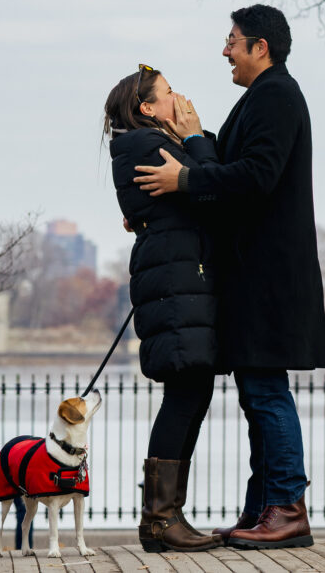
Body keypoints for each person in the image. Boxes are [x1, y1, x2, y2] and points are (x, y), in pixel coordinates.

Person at [133, 4, 325, 550]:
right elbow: (232, 167)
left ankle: (288, 508)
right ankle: (263, 510)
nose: (225, 49)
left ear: (259, 47)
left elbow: (254, 177)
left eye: (233, 40)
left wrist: (186, 177)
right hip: (258, 274)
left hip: (268, 275)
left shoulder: (276, 96)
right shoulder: (262, 98)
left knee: (266, 393)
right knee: (258, 391)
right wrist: (195, 141)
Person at [104, 65, 224, 553]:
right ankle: (159, 520)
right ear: (147, 108)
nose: (181, 97)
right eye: (169, 93)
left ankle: (168, 516)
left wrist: (191, 141)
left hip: (177, 281)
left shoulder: (149, 143)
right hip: (176, 284)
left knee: (191, 394)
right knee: (184, 395)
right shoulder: (144, 146)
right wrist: (195, 136)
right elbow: (213, 190)